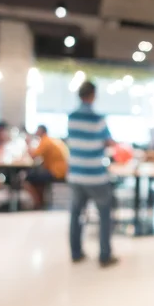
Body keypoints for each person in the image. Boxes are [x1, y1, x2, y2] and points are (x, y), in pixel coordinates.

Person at [67, 81, 118, 268]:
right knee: (105, 214)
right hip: (95, 175)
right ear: (93, 95)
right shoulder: (98, 119)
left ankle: (75, 252)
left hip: (75, 173)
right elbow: (108, 142)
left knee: (76, 214)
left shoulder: (71, 117)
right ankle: (104, 255)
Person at [24, 125, 68, 209]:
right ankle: (41, 202)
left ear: (41, 131)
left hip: (57, 172)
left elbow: (33, 156)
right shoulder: (52, 140)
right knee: (37, 177)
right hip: (64, 170)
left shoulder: (45, 141)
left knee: (28, 178)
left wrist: (28, 143)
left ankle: (38, 203)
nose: (35, 132)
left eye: (37, 130)